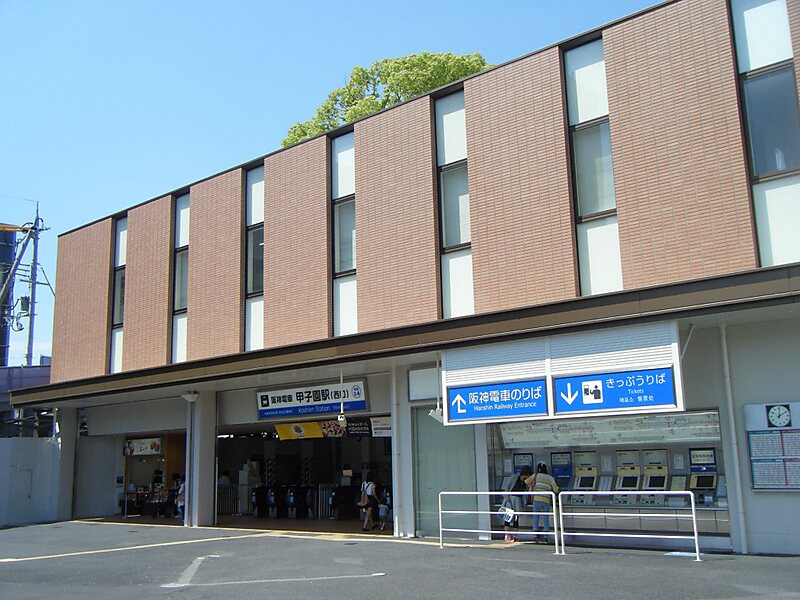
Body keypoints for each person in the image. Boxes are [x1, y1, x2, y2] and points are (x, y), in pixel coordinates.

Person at [525, 462, 559, 543]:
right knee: (545, 517)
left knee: (536, 517)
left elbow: (526, 481)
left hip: (536, 499)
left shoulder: (535, 475)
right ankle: (546, 537)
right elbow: (556, 490)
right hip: (546, 500)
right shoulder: (550, 478)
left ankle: (535, 536)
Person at [503, 466, 532, 542]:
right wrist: (507, 496)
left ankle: (515, 535)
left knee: (516, 518)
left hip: (518, 500)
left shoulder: (526, 483)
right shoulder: (514, 477)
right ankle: (507, 535)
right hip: (510, 498)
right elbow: (506, 486)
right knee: (507, 517)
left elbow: (526, 493)